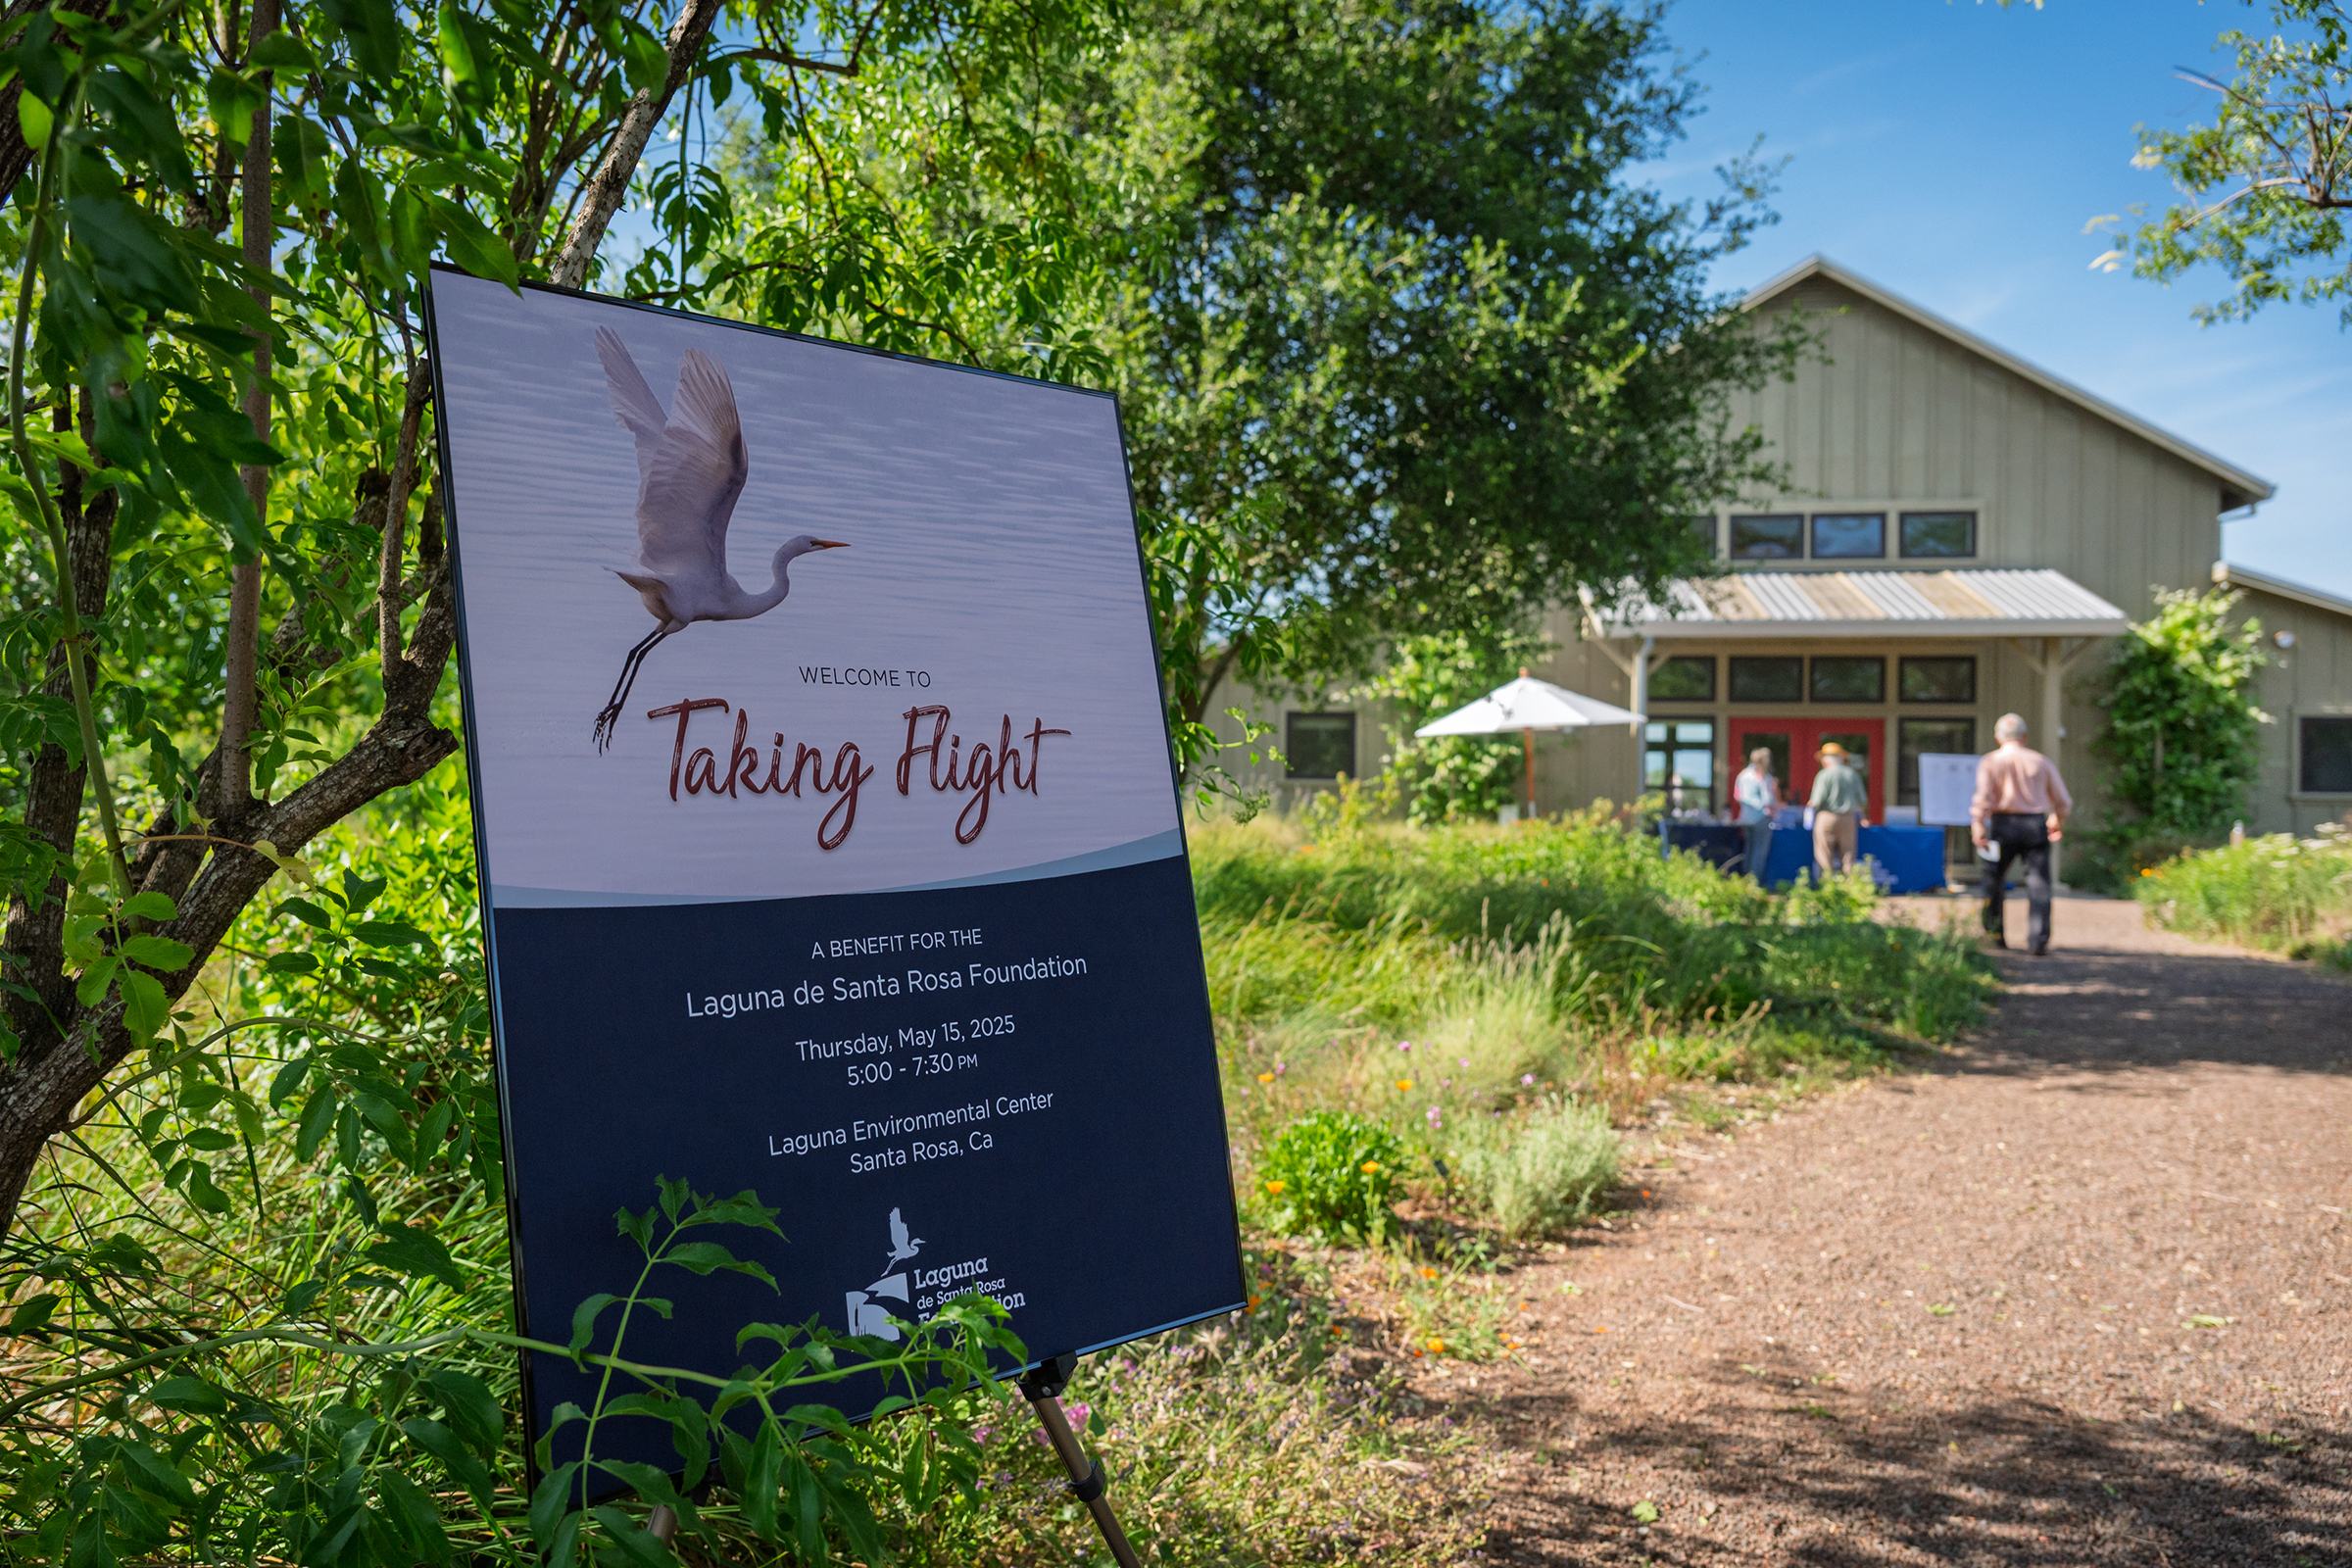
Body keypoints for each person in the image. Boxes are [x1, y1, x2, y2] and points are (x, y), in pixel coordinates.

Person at [1971, 711, 2073, 955]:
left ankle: (1994, 935)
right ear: (2024, 736)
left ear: (1998, 737)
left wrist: (1978, 825)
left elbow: (1983, 797)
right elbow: (2062, 800)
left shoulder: (1990, 762)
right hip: (2034, 826)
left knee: (1993, 880)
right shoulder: (2040, 761)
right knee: (2039, 883)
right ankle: (2038, 941)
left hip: (2002, 825)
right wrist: (2056, 819)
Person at [1808, 742, 1866, 876]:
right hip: (1848, 818)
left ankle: (1827, 884)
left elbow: (1817, 801)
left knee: (1824, 855)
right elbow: (1862, 800)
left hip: (1826, 817)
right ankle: (1849, 884)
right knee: (1848, 856)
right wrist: (1863, 818)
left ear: (1826, 759)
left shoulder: (1824, 774)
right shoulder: (1852, 774)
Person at [1733, 747, 1781, 884]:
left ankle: (1745, 880)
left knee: (1749, 848)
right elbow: (1768, 800)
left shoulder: (1742, 775)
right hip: (1761, 817)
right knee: (1760, 850)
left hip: (1746, 818)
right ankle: (1754, 881)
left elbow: (1738, 796)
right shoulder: (1763, 776)